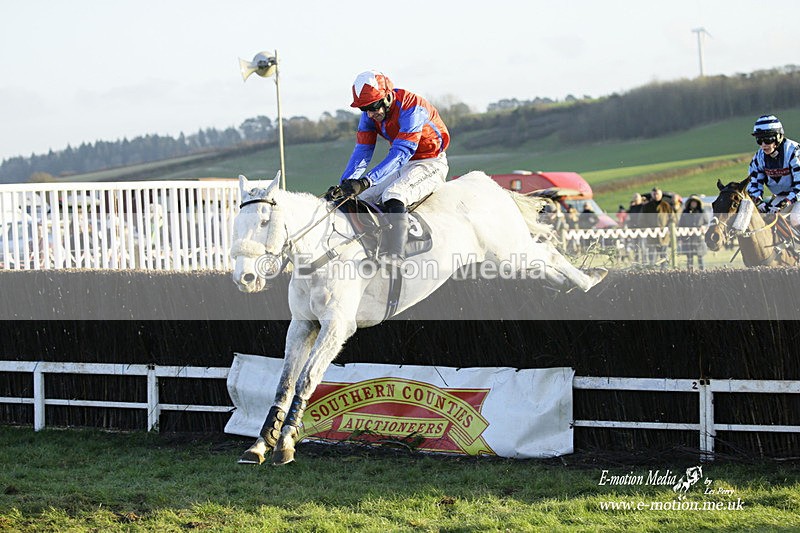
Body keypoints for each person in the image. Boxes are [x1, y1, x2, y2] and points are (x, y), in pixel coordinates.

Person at [331, 70, 450, 266]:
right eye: (364, 109)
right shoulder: (369, 115)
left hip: (430, 162)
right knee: (357, 198)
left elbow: (401, 153)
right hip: (403, 164)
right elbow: (363, 151)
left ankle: (396, 255)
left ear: (387, 97)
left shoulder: (412, 108)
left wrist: (366, 181)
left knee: (394, 194)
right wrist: (345, 184)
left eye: (373, 107)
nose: (370, 114)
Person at [746, 114, 800, 230]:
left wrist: (786, 202)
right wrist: (759, 202)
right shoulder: (758, 158)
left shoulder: (794, 152)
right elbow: (753, 184)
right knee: (764, 220)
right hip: (782, 196)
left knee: (796, 219)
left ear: (778, 137)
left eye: (768, 139)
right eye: (759, 140)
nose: (763, 144)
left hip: (797, 195)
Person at [641, 187, 676, 267]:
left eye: (657, 194)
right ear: (652, 195)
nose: (656, 195)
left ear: (661, 195)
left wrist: (668, 227)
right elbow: (642, 220)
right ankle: (652, 271)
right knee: (652, 257)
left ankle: (663, 272)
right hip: (651, 235)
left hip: (664, 236)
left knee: (663, 256)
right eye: (654, 194)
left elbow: (673, 218)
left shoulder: (666, 206)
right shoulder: (647, 206)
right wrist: (648, 229)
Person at [678, 195, 709, 271]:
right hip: (688, 238)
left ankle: (702, 271)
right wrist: (682, 236)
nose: (693, 204)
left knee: (700, 256)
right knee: (689, 257)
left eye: (695, 202)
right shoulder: (685, 212)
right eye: (692, 202)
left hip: (699, 238)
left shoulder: (702, 212)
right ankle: (689, 271)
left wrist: (703, 227)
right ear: (690, 203)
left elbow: (706, 223)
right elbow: (681, 224)